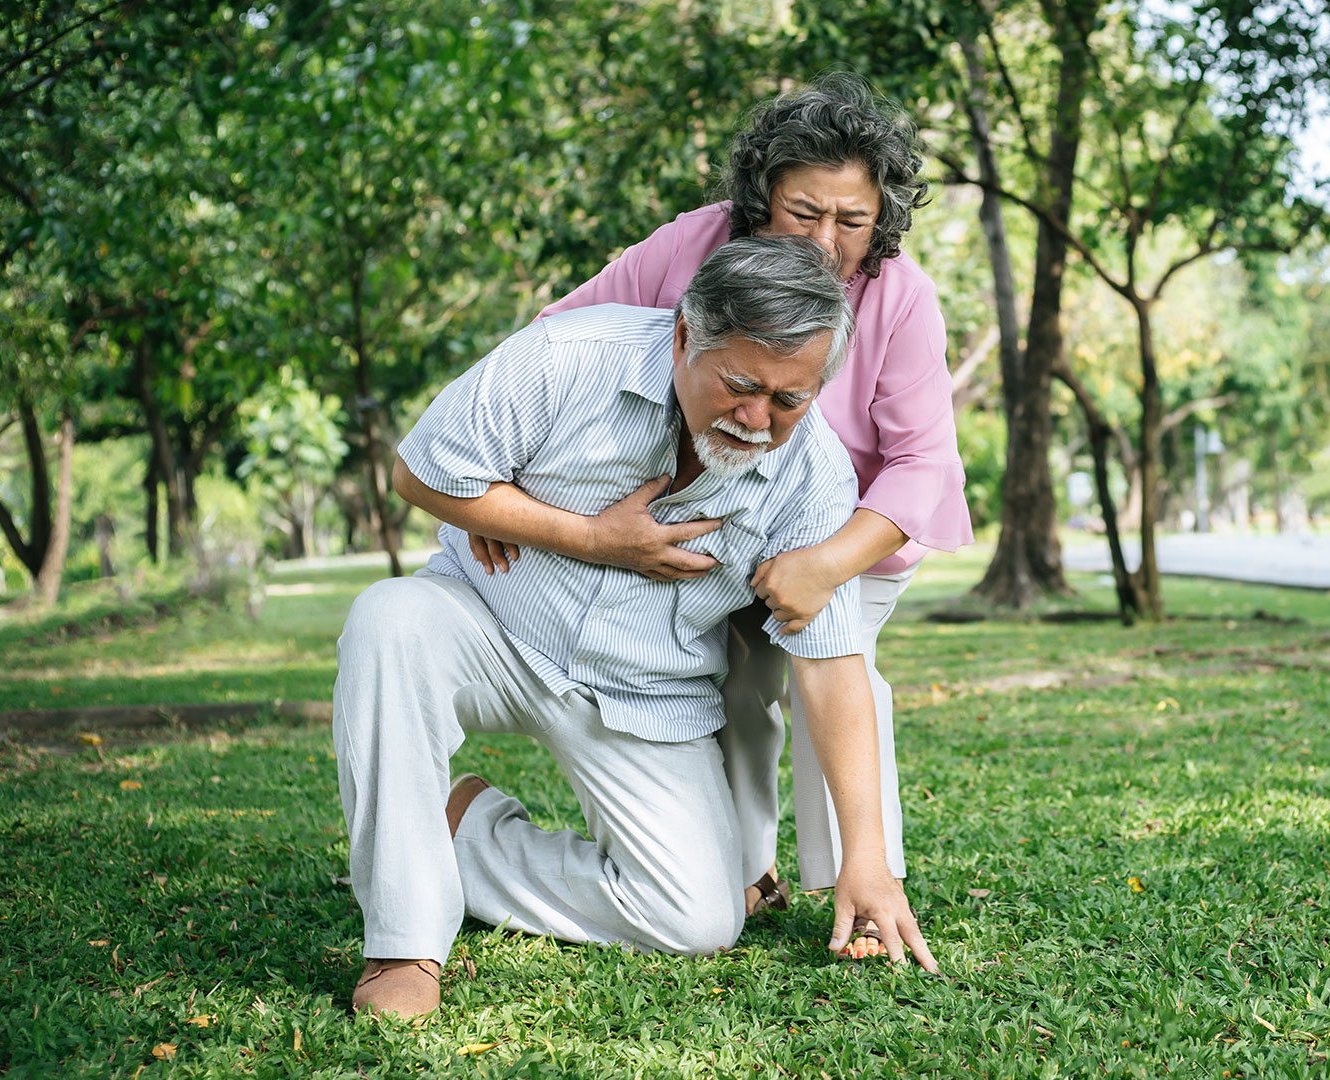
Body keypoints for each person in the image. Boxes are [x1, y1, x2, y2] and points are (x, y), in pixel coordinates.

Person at [334, 236, 936, 1020]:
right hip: (489, 623)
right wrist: (587, 536)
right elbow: (421, 470)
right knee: (388, 617)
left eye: (789, 400)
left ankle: (463, 829)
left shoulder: (814, 478)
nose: (758, 419)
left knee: (697, 918)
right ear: (685, 335)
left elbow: (829, 664)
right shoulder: (567, 356)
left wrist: (869, 861)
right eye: (740, 386)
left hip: (647, 690)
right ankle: (404, 942)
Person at [469, 73, 972, 949]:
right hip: (713, 516)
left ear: (880, 220)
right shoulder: (688, 243)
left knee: (836, 674)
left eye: (851, 223)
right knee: (731, 685)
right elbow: (554, 333)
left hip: (848, 533)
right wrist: (493, 480)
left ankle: (869, 881)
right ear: (757, 199)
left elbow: (924, 464)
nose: (826, 242)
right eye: (802, 213)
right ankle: (744, 869)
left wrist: (823, 564)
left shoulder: (903, 295)